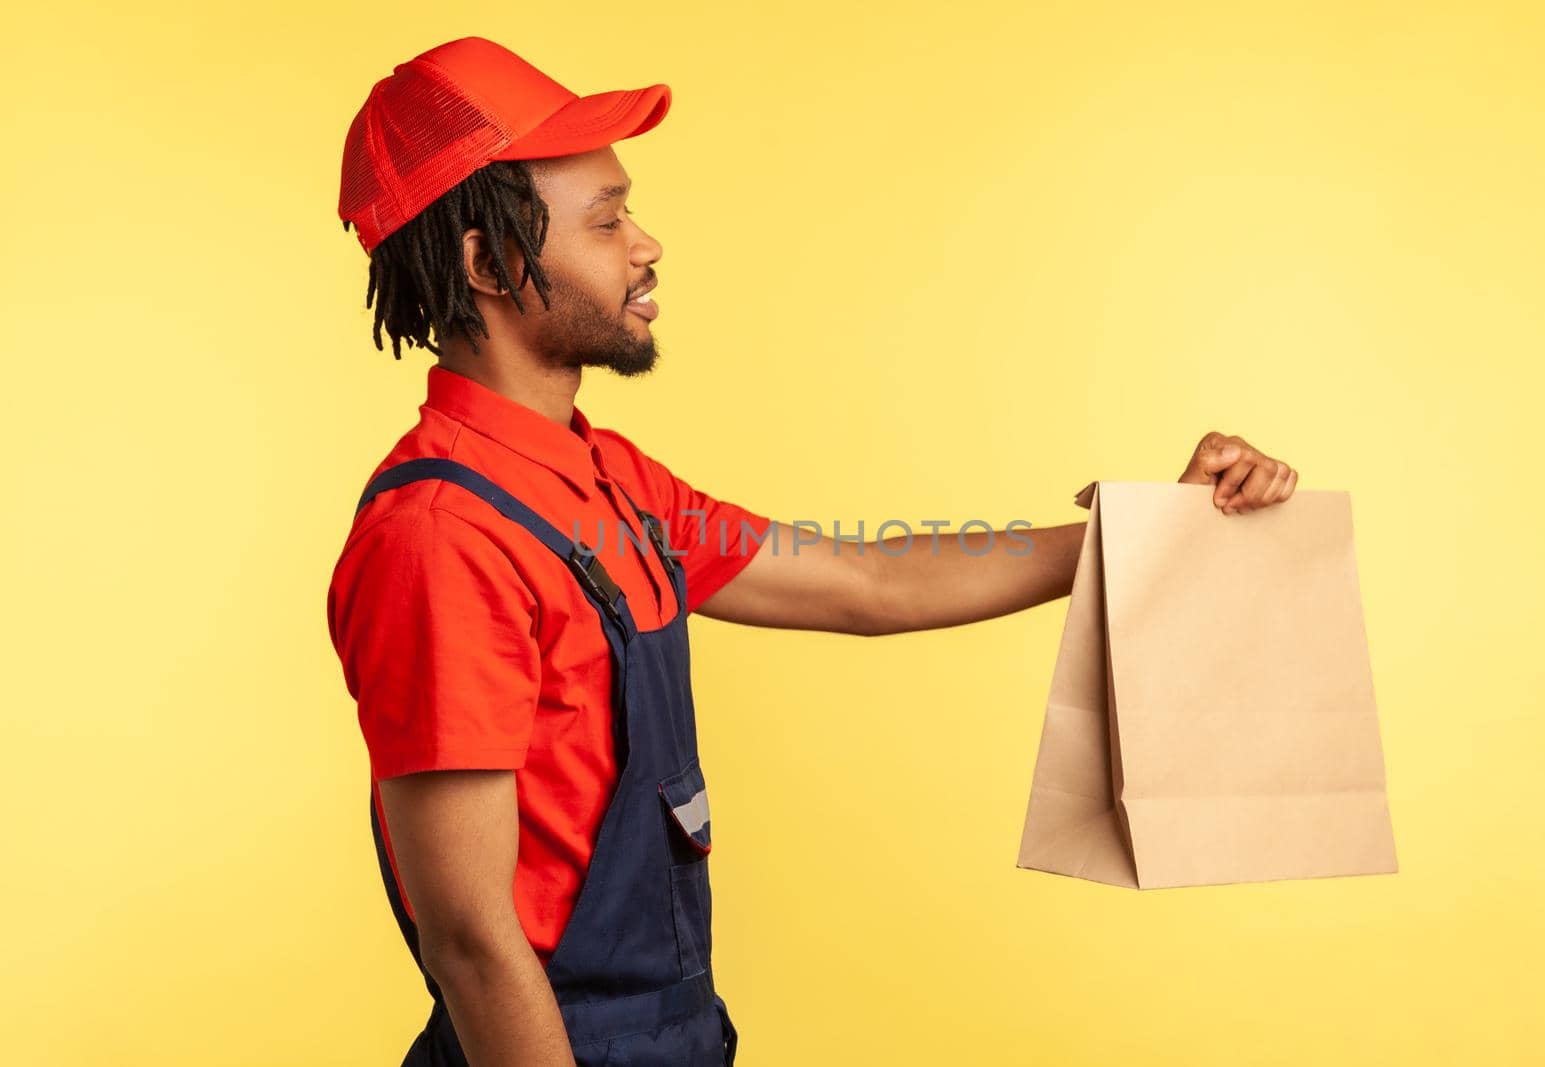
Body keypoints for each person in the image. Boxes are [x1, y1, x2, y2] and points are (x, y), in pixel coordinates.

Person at [324, 35, 1299, 1067]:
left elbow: (865, 579)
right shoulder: (442, 537)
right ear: (486, 261)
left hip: (676, 1031)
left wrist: (1150, 530)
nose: (646, 244)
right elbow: (473, 939)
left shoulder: (610, 482)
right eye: (606, 221)